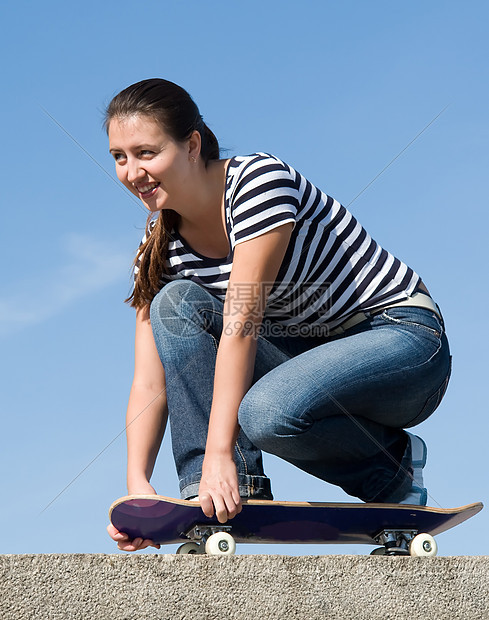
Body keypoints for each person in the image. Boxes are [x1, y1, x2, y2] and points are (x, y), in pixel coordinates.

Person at [106, 78, 451, 552]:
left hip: (402, 342)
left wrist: (219, 452)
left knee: (265, 413)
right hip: (311, 360)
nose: (132, 171)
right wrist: (138, 488)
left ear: (191, 144)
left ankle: (383, 466)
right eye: (119, 157)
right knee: (176, 304)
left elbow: (242, 326)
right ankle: (227, 492)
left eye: (146, 152)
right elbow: (149, 381)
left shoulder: (257, 183)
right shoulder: (160, 246)